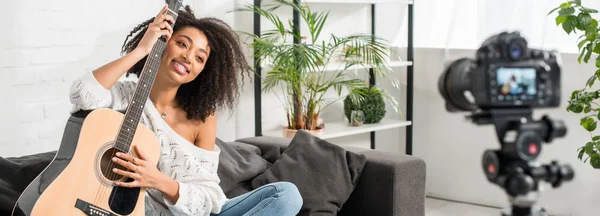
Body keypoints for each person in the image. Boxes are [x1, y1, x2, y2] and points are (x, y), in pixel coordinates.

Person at [69, 4, 303, 216]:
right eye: (182, 44)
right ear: (163, 42)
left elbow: (210, 197)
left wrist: (159, 181)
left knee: (287, 195)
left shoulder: (202, 116)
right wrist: (141, 50)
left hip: (196, 211)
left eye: (200, 58)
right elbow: (82, 94)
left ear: (203, 71)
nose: (188, 57)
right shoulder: (124, 96)